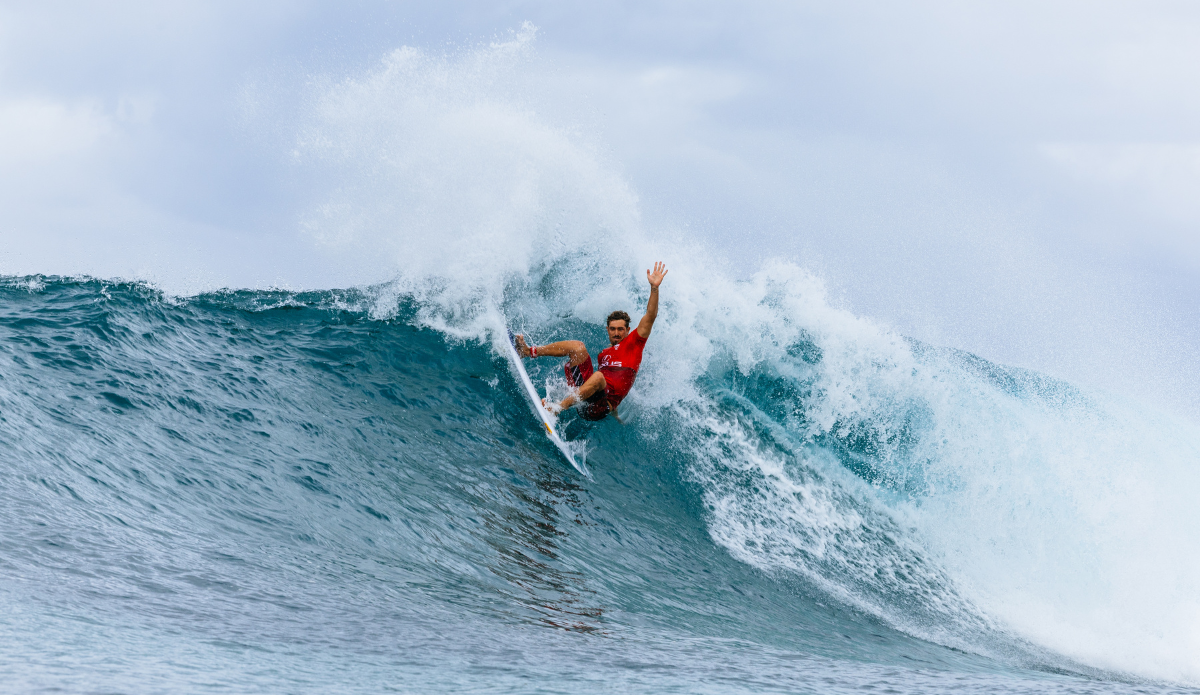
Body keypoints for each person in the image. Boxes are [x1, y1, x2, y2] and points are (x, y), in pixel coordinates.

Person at [516, 262, 668, 421]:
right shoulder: (605, 354)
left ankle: (557, 408)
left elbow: (650, 316)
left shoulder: (635, 343)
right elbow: (603, 384)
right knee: (578, 347)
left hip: (596, 409)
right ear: (608, 329)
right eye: (613, 329)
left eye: (621, 329)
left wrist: (654, 288)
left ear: (628, 330)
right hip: (585, 398)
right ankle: (527, 351)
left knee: (599, 377)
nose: (616, 333)